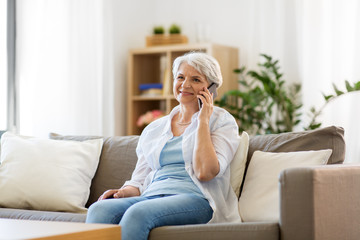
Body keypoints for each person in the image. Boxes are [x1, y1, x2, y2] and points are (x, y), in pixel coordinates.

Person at [86, 52, 241, 239]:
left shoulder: (222, 121)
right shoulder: (155, 129)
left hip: (198, 199)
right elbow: (140, 179)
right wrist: (122, 192)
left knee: (138, 214)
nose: (185, 85)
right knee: (99, 210)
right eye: (180, 77)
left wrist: (203, 121)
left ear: (211, 88)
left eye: (196, 79)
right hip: (151, 196)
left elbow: (205, 172)